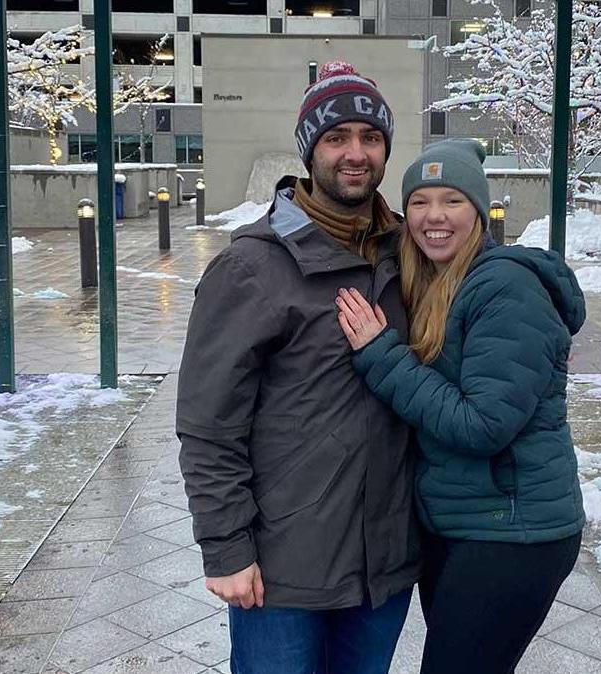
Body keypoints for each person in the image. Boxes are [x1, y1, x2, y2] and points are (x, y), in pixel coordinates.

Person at [176, 61, 419, 674]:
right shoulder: (252, 269)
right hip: (283, 569)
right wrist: (226, 547)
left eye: (370, 138)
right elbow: (208, 425)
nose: (354, 153)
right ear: (309, 150)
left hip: (381, 568)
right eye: (336, 138)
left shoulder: (408, 257)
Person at [336, 138, 587, 674]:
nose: (434, 217)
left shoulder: (506, 288)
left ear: (479, 209)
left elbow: (484, 424)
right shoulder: (436, 284)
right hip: (463, 526)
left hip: (512, 534)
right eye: (421, 201)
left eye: (452, 200)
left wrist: (382, 358)